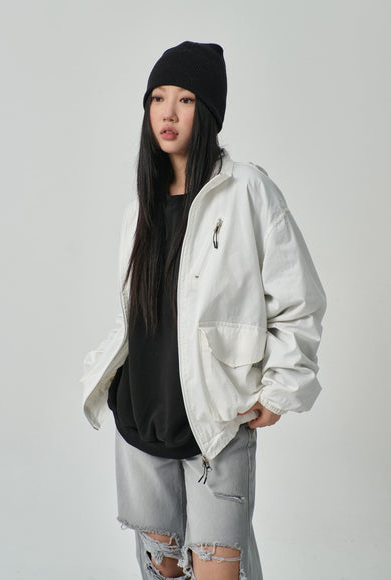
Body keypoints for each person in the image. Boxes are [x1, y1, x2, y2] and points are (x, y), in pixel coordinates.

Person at [79, 41, 327, 580]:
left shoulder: (246, 190)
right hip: (141, 422)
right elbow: (137, 314)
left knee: (219, 570)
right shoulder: (140, 206)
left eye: (186, 99)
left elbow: (299, 297)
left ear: (208, 111)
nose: (168, 113)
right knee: (162, 573)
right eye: (158, 98)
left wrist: (281, 389)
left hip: (217, 422)